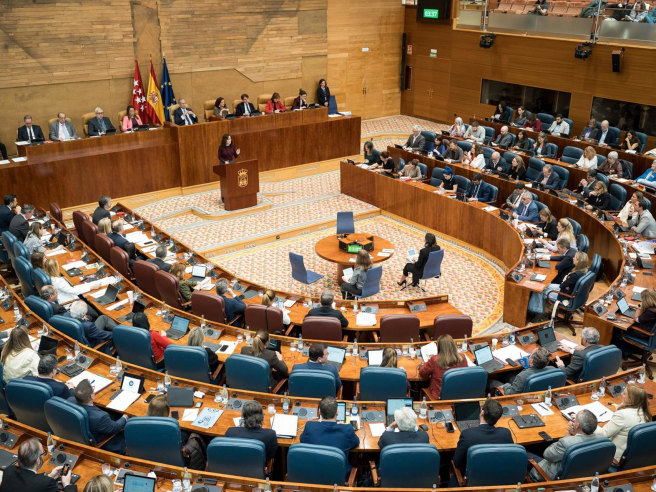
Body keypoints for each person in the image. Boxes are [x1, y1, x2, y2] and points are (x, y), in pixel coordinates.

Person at [451, 399, 513, 483]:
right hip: (499, 478)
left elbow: (457, 463)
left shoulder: (467, 435)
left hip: (474, 480)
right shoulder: (505, 433)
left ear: (482, 412)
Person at [530, 409, 599, 481]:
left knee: (525, 452)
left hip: (554, 476)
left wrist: (568, 435)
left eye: (575, 420)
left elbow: (547, 454)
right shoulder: (601, 438)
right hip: (582, 474)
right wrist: (574, 434)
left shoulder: (566, 443)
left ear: (577, 425)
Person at [299, 396, 360, 474]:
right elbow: (356, 443)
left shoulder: (310, 427)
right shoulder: (347, 429)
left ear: (319, 412)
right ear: (337, 412)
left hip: (314, 475)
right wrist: (341, 426)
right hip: (338, 478)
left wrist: (318, 424)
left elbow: (302, 439)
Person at [594, 385, 651, 460]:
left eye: (624, 394)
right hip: (633, 455)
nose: (621, 394)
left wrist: (590, 422)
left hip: (615, 457)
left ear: (631, 399)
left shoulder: (622, 415)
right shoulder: (645, 412)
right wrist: (622, 406)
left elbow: (603, 434)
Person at [0, 437, 76, 492]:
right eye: (43, 453)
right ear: (38, 460)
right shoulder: (47, 484)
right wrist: (67, 485)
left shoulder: (8, 471)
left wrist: (49, 476)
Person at [72, 379, 127, 454]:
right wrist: (125, 416)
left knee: (114, 414)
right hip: (107, 443)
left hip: (86, 433)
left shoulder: (70, 401)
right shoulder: (100, 417)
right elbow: (115, 428)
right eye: (93, 388)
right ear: (92, 396)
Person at [529, 239, 577, 319]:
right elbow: (561, 258)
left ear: (564, 248)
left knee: (541, 288)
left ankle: (538, 313)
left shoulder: (569, 257)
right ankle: (534, 309)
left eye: (559, 248)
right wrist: (547, 257)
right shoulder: (572, 250)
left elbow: (558, 266)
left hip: (564, 286)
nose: (557, 250)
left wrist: (561, 263)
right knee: (544, 285)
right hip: (567, 285)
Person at [419, 334, 467, 399]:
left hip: (438, 399)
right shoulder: (462, 358)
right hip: (458, 396)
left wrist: (424, 365)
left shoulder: (435, 360)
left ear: (439, 347)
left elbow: (423, 374)